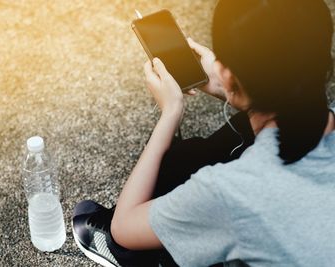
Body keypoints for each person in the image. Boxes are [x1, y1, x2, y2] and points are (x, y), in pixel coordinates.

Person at [72, 0, 335, 266]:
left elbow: (123, 228)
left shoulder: (230, 191)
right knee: (219, 142)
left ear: (227, 73)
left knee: (174, 176)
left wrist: (171, 112)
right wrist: (232, 88)